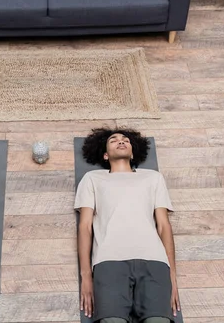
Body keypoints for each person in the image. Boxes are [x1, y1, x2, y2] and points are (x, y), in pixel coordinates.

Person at [75, 127, 180, 323]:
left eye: (125, 140)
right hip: (109, 262)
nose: (121, 141)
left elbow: (164, 226)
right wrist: (86, 276)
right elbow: (85, 227)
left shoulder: (153, 177)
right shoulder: (92, 179)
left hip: (154, 262)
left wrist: (172, 276)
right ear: (106, 155)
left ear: (132, 152)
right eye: (113, 140)